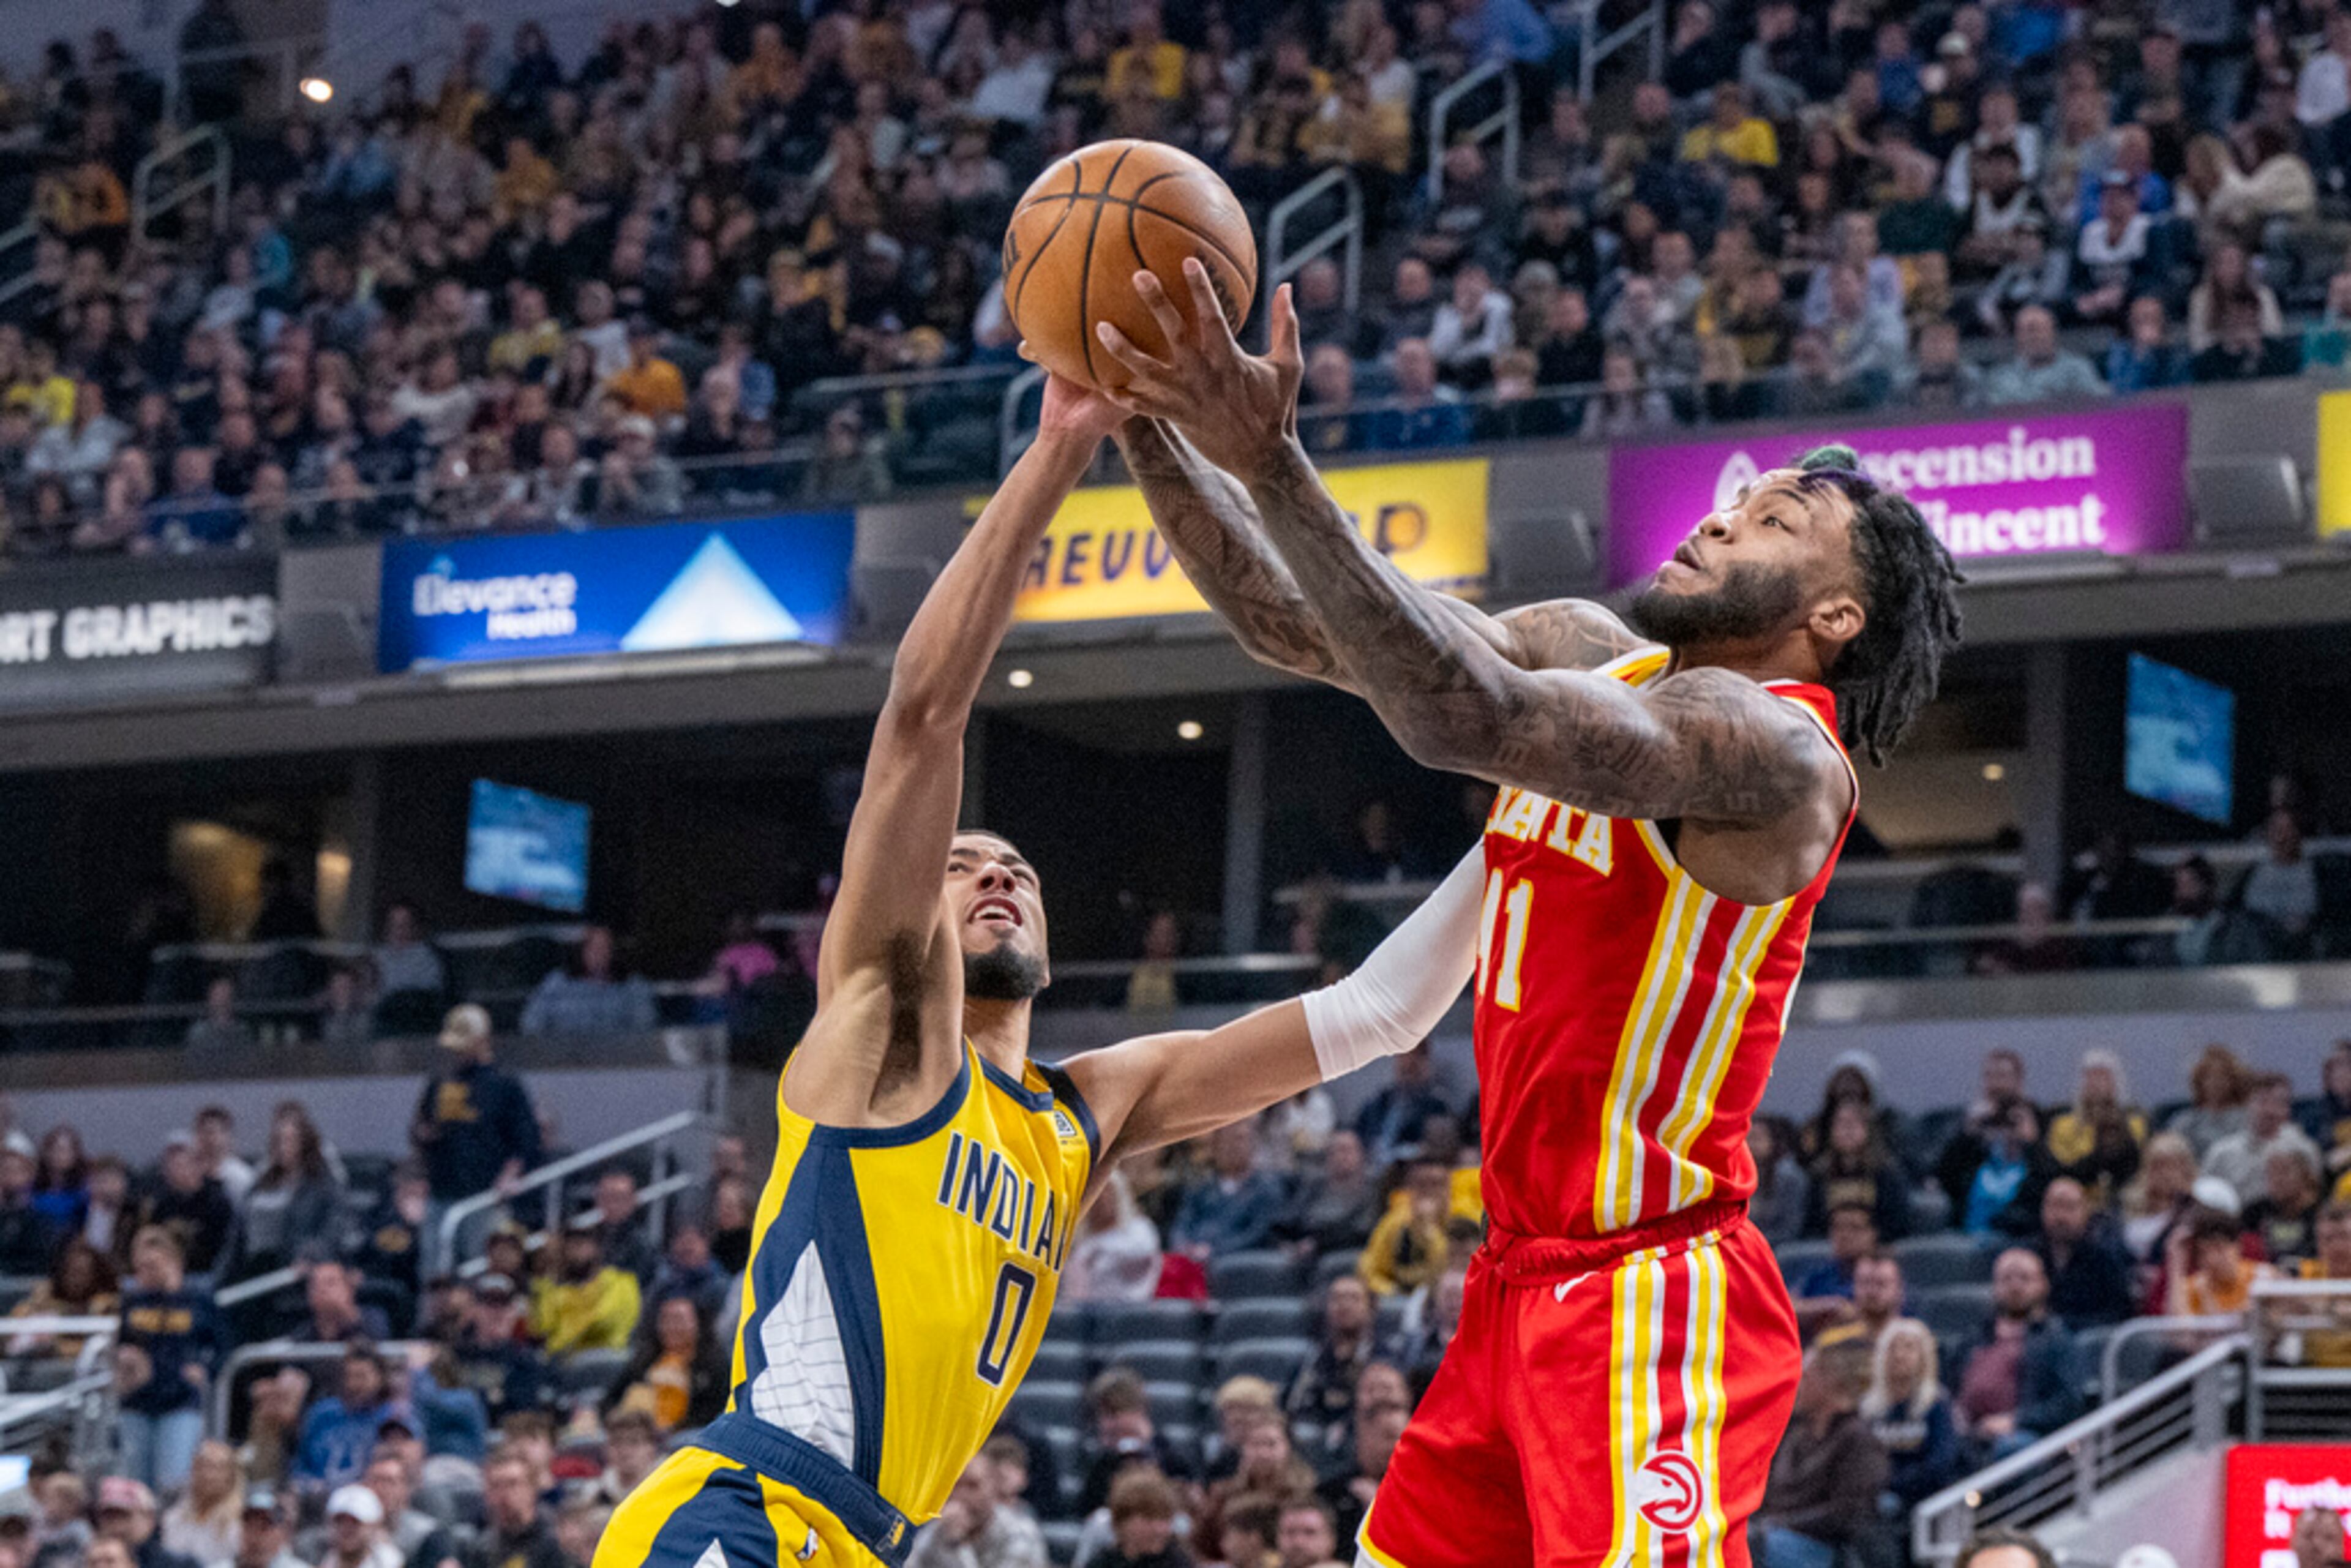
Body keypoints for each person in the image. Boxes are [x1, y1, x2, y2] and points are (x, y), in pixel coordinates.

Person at [1095, 260, 1962, 1568]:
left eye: (1774, 520)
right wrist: (1144, 412)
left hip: (1648, 1291)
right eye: (1733, 505)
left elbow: (1461, 719)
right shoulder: (1578, 640)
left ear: (1835, 614)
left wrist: (1276, 459)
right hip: (1511, 1283)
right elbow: (1302, 624)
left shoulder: (1781, 755)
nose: (1724, 524)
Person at [597, 375, 1482, 1568]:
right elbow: (922, 717)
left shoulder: (1084, 1112)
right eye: (964, 864)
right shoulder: (891, 1026)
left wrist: (1530, 821)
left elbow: (1382, 1008)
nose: (996, 874)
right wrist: (1063, 445)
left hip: (862, 1544)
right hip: (745, 1511)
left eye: (1017, 866)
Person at [412, 1003, 542, 1272]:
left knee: (482, 1269)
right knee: (435, 1271)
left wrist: (510, 1175)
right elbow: (419, 1127)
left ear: (483, 1041)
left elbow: (525, 1139)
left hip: (485, 1193)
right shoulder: (441, 1081)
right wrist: (424, 1136)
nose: (457, 1052)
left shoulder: (505, 1084)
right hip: (441, 1192)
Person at [1749, 1340, 1887, 1568]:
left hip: (1826, 1550)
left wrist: (1783, 1523)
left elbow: (1849, 1514)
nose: (1797, 1386)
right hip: (1772, 1536)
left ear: (1829, 1382)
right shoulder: (1795, 1436)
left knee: (1753, 1545)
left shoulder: (1858, 1439)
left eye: (1806, 1377)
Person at [116, 1226, 225, 1491]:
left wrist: (206, 1370)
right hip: (137, 1400)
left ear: (172, 1262)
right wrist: (124, 1361)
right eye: (140, 1267)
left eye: (152, 1265)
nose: (145, 1273)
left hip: (180, 1399)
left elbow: (222, 1345)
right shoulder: (134, 1301)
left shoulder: (197, 1300)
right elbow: (122, 1342)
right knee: (135, 1483)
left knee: (173, 1481)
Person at [1954, 1249, 2084, 1458]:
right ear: (1995, 1287)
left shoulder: (2057, 1340)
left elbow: (2067, 1402)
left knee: (2013, 1448)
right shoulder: (1973, 1338)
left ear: (2043, 1285)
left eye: (2025, 1278)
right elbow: (1949, 1388)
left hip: (2024, 1437)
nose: (2015, 1286)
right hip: (1969, 1435)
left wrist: (2015, 1421)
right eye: (2006, 1279)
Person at [1862, 1318, 1962, 1511]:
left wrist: (1896, 1484)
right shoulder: (1868, 1408)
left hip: (1924, 1498)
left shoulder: (1937, 1404)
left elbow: (1941, 1461)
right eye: (1893, 1348)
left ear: (1924, 1356)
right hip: (1876, 1494)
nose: (1899, 1355)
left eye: (1909, 1348)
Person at [601, 1293, 728, 1433]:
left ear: (698, 1324)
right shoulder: (643, 1362)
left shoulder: (714, 1368)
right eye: (666, 1319)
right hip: (634, 1434)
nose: (672, 1327)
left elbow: (713, 1412)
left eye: (679, 1319)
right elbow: (611, 1400)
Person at [904, 1455, 1047, 1568]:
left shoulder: (1021, 1535)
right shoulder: (938, 1529)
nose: (962, 1495)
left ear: (994, 1489)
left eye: (973, 1486)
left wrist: (956, 1544)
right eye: (955, 1486)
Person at [2205, 1075, 2323, 1209]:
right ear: (2247, 1105)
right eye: (2262, 1101)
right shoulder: (2222, 1152)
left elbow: (2314, 1196)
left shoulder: (2305, 1150)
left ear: (2289, 1108)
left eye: (2279, 1102)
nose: (2270, 1110)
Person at [2034, 1177, 2137, 1328]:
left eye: (2070, 1207)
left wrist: (2061, 1325)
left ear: (2086, 1212)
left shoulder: (2105, 1260)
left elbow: (2118, 1315)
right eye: (2055, 1206)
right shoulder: (2028, 1255)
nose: (2061, 1217)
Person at [530, 1221, 640, 1357]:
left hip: (606, 1356)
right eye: (570, 1245)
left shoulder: (620, 1282)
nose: (575, 1252)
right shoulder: (556, 1291)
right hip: (564, 1362)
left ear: (597, 1249)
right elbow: (542, 1328)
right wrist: (548, 1270)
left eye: (581, 1244)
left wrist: (567, 1338)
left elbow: (605, 1322)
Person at [1063, 1169, 1163, 1303]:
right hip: (1083, 1313)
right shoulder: (1079, 1237)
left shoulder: (1139, 1229)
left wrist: (1101, 1253)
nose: (1102, 1198)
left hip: (1128, 1311)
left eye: (1108, 1191)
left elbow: (1144, 1260)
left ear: (1119, 1195)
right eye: (1097, 1192)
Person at [465, 1449, 566, 1568]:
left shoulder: (560, 1539)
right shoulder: (483, 1549)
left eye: (513, 1484)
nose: (503, 1494)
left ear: (532, 1488)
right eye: (495, 1486)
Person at [157, 1441, 242, 1568]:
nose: (208, 1475)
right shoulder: (174, 1515)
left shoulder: (239, 1524)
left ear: (230, 1476)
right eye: (202, 1466)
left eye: (217, 1468)